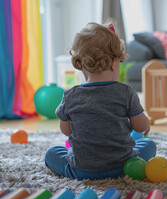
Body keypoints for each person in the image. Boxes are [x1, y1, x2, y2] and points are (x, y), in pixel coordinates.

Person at [44, 21, 156, 180]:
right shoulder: (126, 92)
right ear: (113, 63)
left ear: (79, 64)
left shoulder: (70, 95)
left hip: (82, 170)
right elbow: (140, 127)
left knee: (52, 153)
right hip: (122, 167)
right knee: (149, 145)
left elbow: (66, 131)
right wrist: (145, 123)